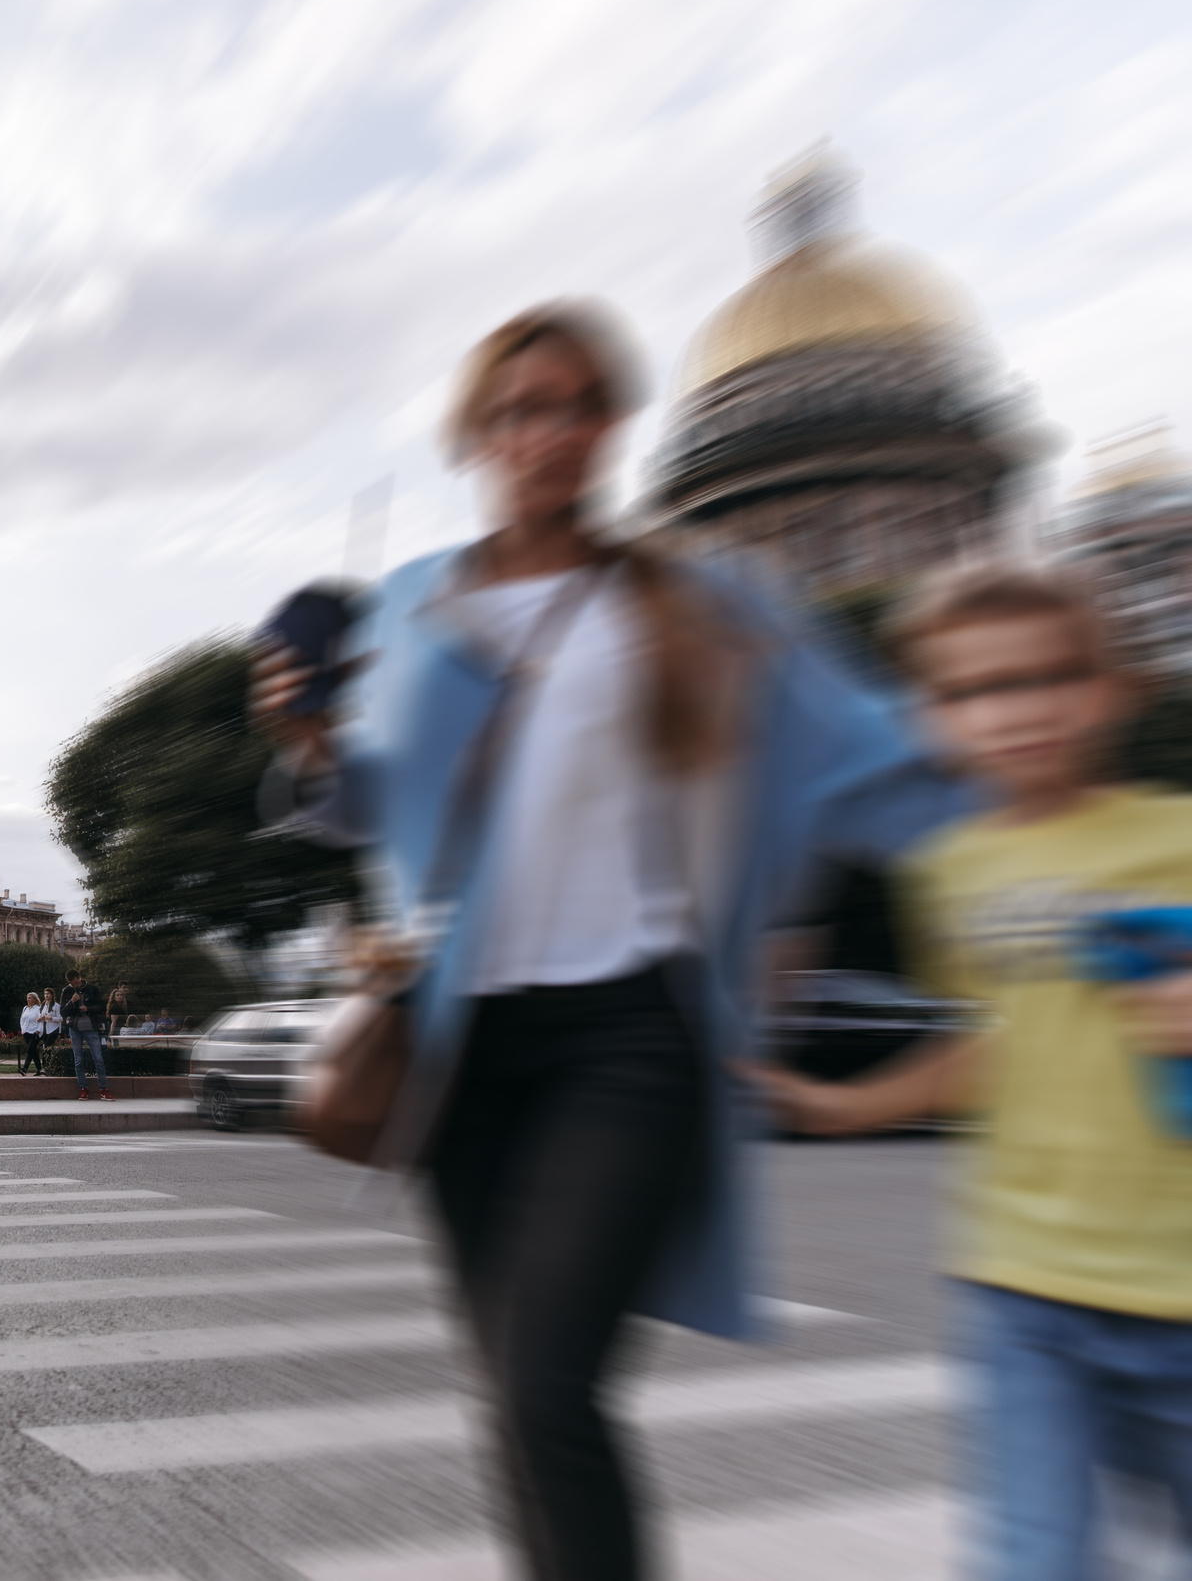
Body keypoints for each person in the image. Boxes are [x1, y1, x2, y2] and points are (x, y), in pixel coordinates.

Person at [249, 299, 964, 1581]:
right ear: (478, 433)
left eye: (577, 404)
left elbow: (872, 755)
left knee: (545, 1382)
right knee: (514, 1396)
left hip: (629, 1036)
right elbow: (378, 794)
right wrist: (308, 743)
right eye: (520, 409)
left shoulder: (698, 602)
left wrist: (1050, 820)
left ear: (612, 426)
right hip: (462, 1043)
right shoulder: (417, 604)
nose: (548, 432)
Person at [747, 566, 1192, 1578]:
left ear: (1117, 685)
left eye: (1050, 676)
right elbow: (996, 1041)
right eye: (970, 691)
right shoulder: (952, 869)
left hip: (1182, 1288)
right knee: (1032, 1562)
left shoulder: (1178, 838)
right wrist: (845, 1102)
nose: (1014, 711)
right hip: (1024, 1290)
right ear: (927, 718)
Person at [62, 971, 112, 1102]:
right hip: (75, 1028)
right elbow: (63, 1011)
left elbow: (101, 1006)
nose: (76, 986)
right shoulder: (67, 991)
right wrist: (71, 1002)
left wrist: (88, 1009)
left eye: (77, 983)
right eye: (73, 984)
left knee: (98, 1058)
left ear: (80, 978)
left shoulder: (92, 989)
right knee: (78, 1060)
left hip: (91, 1028)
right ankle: (83, 1088)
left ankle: (103, 1089)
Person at [18, 993, 46, 1075]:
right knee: (34, 1051)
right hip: (26, 1032)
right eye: (27, 998)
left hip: (34, 1033)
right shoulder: (25, 1008)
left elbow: (41, 1021)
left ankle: (25, 1068)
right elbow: (22, 1020)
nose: (28, 1000)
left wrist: (38, 1031)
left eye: (30, 998)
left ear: (34, 999)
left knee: (30, 1049)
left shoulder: (39, 1009)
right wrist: (22, 1029)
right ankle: (39, 1069)